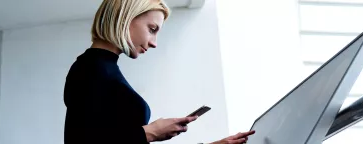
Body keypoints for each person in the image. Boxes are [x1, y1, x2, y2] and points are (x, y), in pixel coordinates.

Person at [63, 0, 255, 144]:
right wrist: (150, 132)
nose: (154, 43)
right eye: (152, 29)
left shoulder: (103, 68)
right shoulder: (90, 68)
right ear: (125, 19)